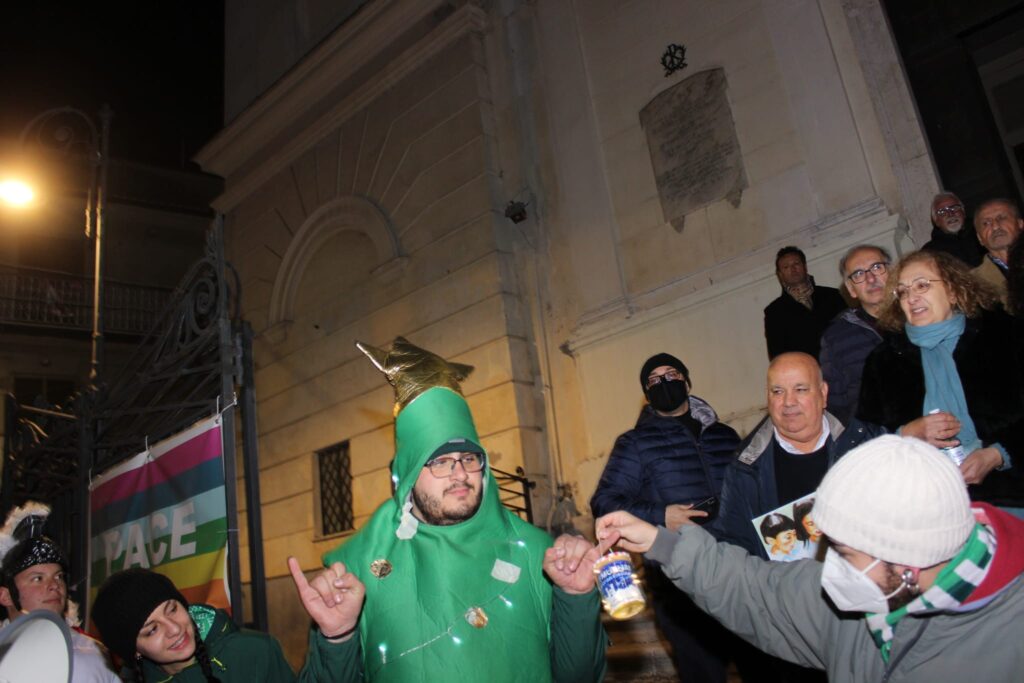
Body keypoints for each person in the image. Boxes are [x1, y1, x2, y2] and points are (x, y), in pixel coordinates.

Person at [293, 337, 606, 682]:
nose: (460, 473)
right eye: (440, 461)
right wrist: (338, 638)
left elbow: (579, 677)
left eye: (469, 458)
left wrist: (576, 597)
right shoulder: (356, 569)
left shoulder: (537, 554)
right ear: (409, 473)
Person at [596, 435, 1024, 682]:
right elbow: (758, 592)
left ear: (907, 561)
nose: (828, 565)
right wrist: (661, 542)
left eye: (844, 552)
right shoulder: (868, 593)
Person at [590, 352, 740, 682]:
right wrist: (661, 515)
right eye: (654, 380)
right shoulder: (634, 443)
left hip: (737, 567)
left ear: (687, 381)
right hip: (678, 579)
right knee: (704, 673)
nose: (664, 382)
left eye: (671, 374)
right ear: (647, 393)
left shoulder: (725, 436)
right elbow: (605, 502)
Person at [857, 250, 1024, 510]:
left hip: (1011, 491)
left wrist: (998, 454)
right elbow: (864, 442)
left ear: (954, 291)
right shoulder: (884, 362)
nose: (911, 297)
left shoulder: (1004, 335)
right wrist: (906, 434)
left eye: (922, 285)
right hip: (929, 502)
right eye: (902, 291)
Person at [710, 352, 875, 559]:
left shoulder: (867, 443)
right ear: (767, 397)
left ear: (823, 393)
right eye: (778, 391)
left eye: (800, 389)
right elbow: (735, 548)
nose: (788, 401)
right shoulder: (745, 469)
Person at [91, 568, 345, 682]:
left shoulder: (254, 653)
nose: (175, 629)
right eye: (152, 629)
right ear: (134, 650)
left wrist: (337, 638)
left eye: (172, 609)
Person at [0, 502, 119, 683]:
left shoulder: (93, 653)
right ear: (6, 596)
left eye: (58, 576)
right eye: (38, 578)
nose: (55, 585)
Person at [818, 245, 891, 424]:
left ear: (892, 273)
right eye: (858, 274)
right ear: (851, 289)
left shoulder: (920, 315)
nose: (871, 278)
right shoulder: (836, 338)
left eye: (877, 267)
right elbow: (835, 405)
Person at [763, 246, 846, 360]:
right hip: (808, 369)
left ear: (805, 266)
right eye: (786, 267)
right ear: (780, 274)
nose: (793, 269)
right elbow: (778, 357)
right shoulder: (774, 312)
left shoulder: (833, 296)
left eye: (796, 264)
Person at [972, 198, 1023, 306]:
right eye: (986, 223)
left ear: (1020, 224)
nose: (995, 226)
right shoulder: (974, 283)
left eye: (1002, 218)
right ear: (979, 238)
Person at [921, 192, 983, 266]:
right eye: (942, 211)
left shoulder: (982, 232)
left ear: (963, 212)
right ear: (936, 221)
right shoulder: (930, 252)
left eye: (954, 208)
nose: (950, 214)